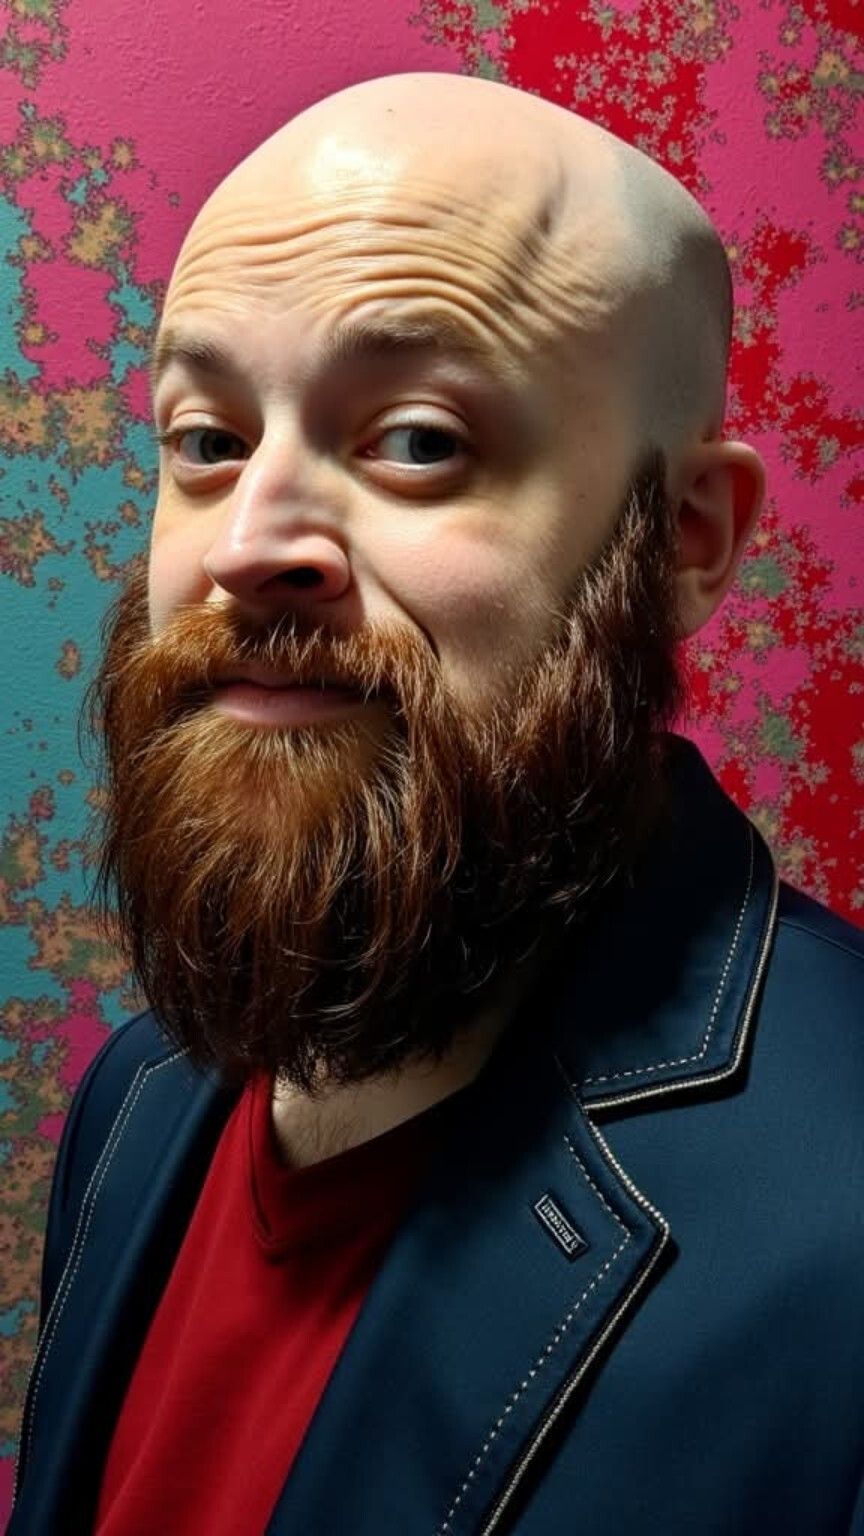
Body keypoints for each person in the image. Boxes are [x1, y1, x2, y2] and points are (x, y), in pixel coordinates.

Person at [9, 71, 863, 1536]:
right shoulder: (138, 1097)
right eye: (206, 439)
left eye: (416, 440)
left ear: (685, 539)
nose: (250, 544)